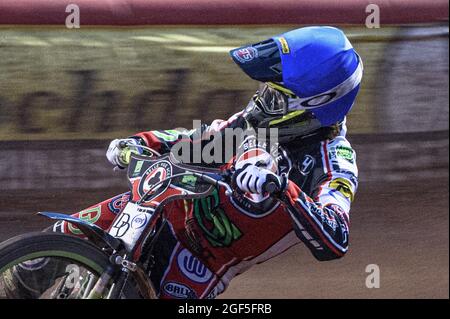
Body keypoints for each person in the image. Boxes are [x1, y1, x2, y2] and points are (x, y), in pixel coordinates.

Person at [4, 26, 362, 299]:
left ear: (314, 106)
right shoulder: (258, 123)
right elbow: (204, 138)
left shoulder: (334, 163)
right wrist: (142, 142)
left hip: (199, 262)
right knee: (38, 255)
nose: (261, 101)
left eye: (276, 96)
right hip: (160, 208)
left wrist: (283, 188)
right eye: (266, 90)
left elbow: (337, 238)